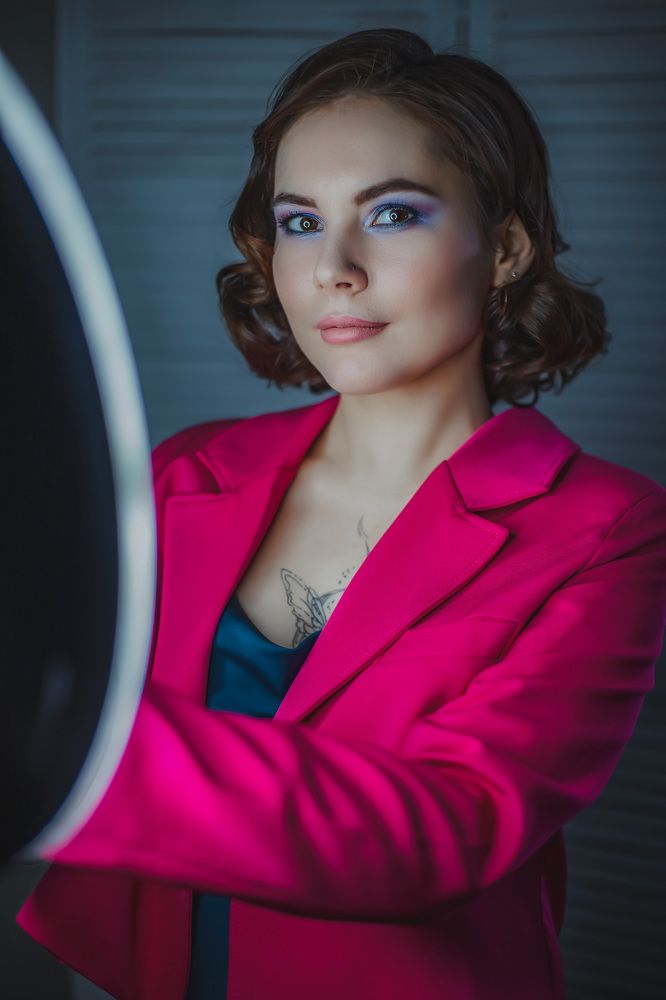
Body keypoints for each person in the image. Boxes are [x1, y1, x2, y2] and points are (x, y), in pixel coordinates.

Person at [16, 27, 666, 1000]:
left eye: (392, 213)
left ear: (505, 248)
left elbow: (452, 826)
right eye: (300, 221)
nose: (335, 268)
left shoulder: (607, 530)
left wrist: (59, 744)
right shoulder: (187, 472)